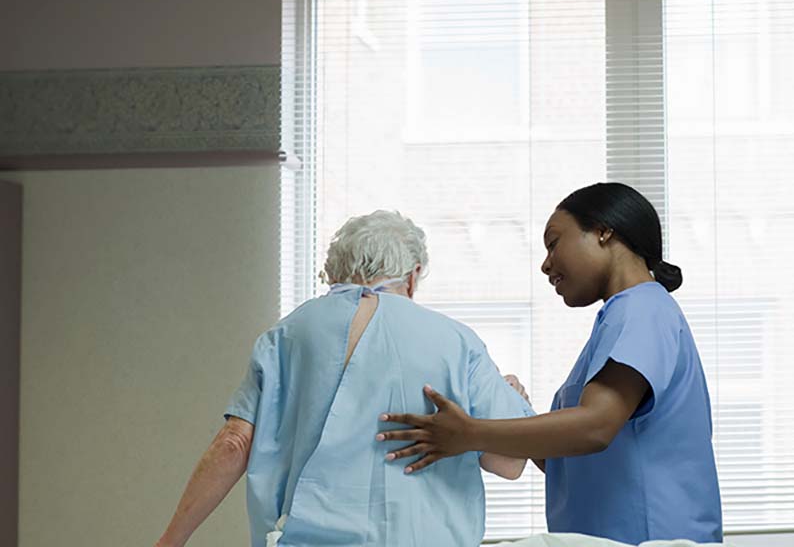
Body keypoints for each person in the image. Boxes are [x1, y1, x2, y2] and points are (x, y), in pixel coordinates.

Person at [155, 210, 532, 547]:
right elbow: (509, 464)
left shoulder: (287, 335)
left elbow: (235, 443)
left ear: (334, 273)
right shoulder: (454, 341)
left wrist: (171, 540)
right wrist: (514, 397)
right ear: (414, 276)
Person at [378, 183, 723, 544]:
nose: (545, 264)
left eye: (554, 242)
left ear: (605, 231)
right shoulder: (621, 320)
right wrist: (512, 411)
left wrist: (468, 433)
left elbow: (595, 427)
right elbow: (569, 459)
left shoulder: (642, 309)